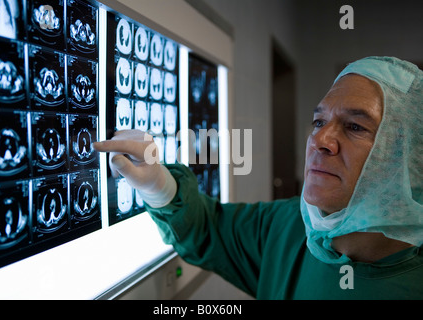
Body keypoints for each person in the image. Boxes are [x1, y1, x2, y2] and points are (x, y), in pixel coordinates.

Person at [93, 56, 423, 299]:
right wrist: (160, 185)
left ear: (408, 157)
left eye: (354, 126)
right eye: (319, 122)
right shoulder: (291, 225)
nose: (320, 141)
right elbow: (210, 229)